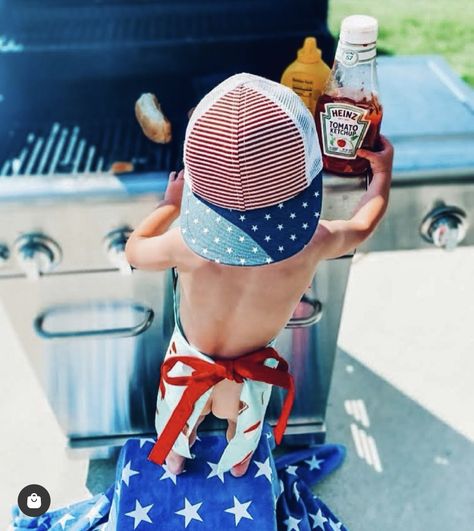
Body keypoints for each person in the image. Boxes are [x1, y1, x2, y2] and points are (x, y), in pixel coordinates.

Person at [125, 73, 393, 478]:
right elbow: (361, 226)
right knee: (244, 434)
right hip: (252, 376)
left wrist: (169, 204)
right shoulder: (313, 242)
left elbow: (134, 250)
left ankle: (177, 460)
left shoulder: (187, 245)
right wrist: (383, 179)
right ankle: (239, 465)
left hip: (189, 366)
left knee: (178, 428)